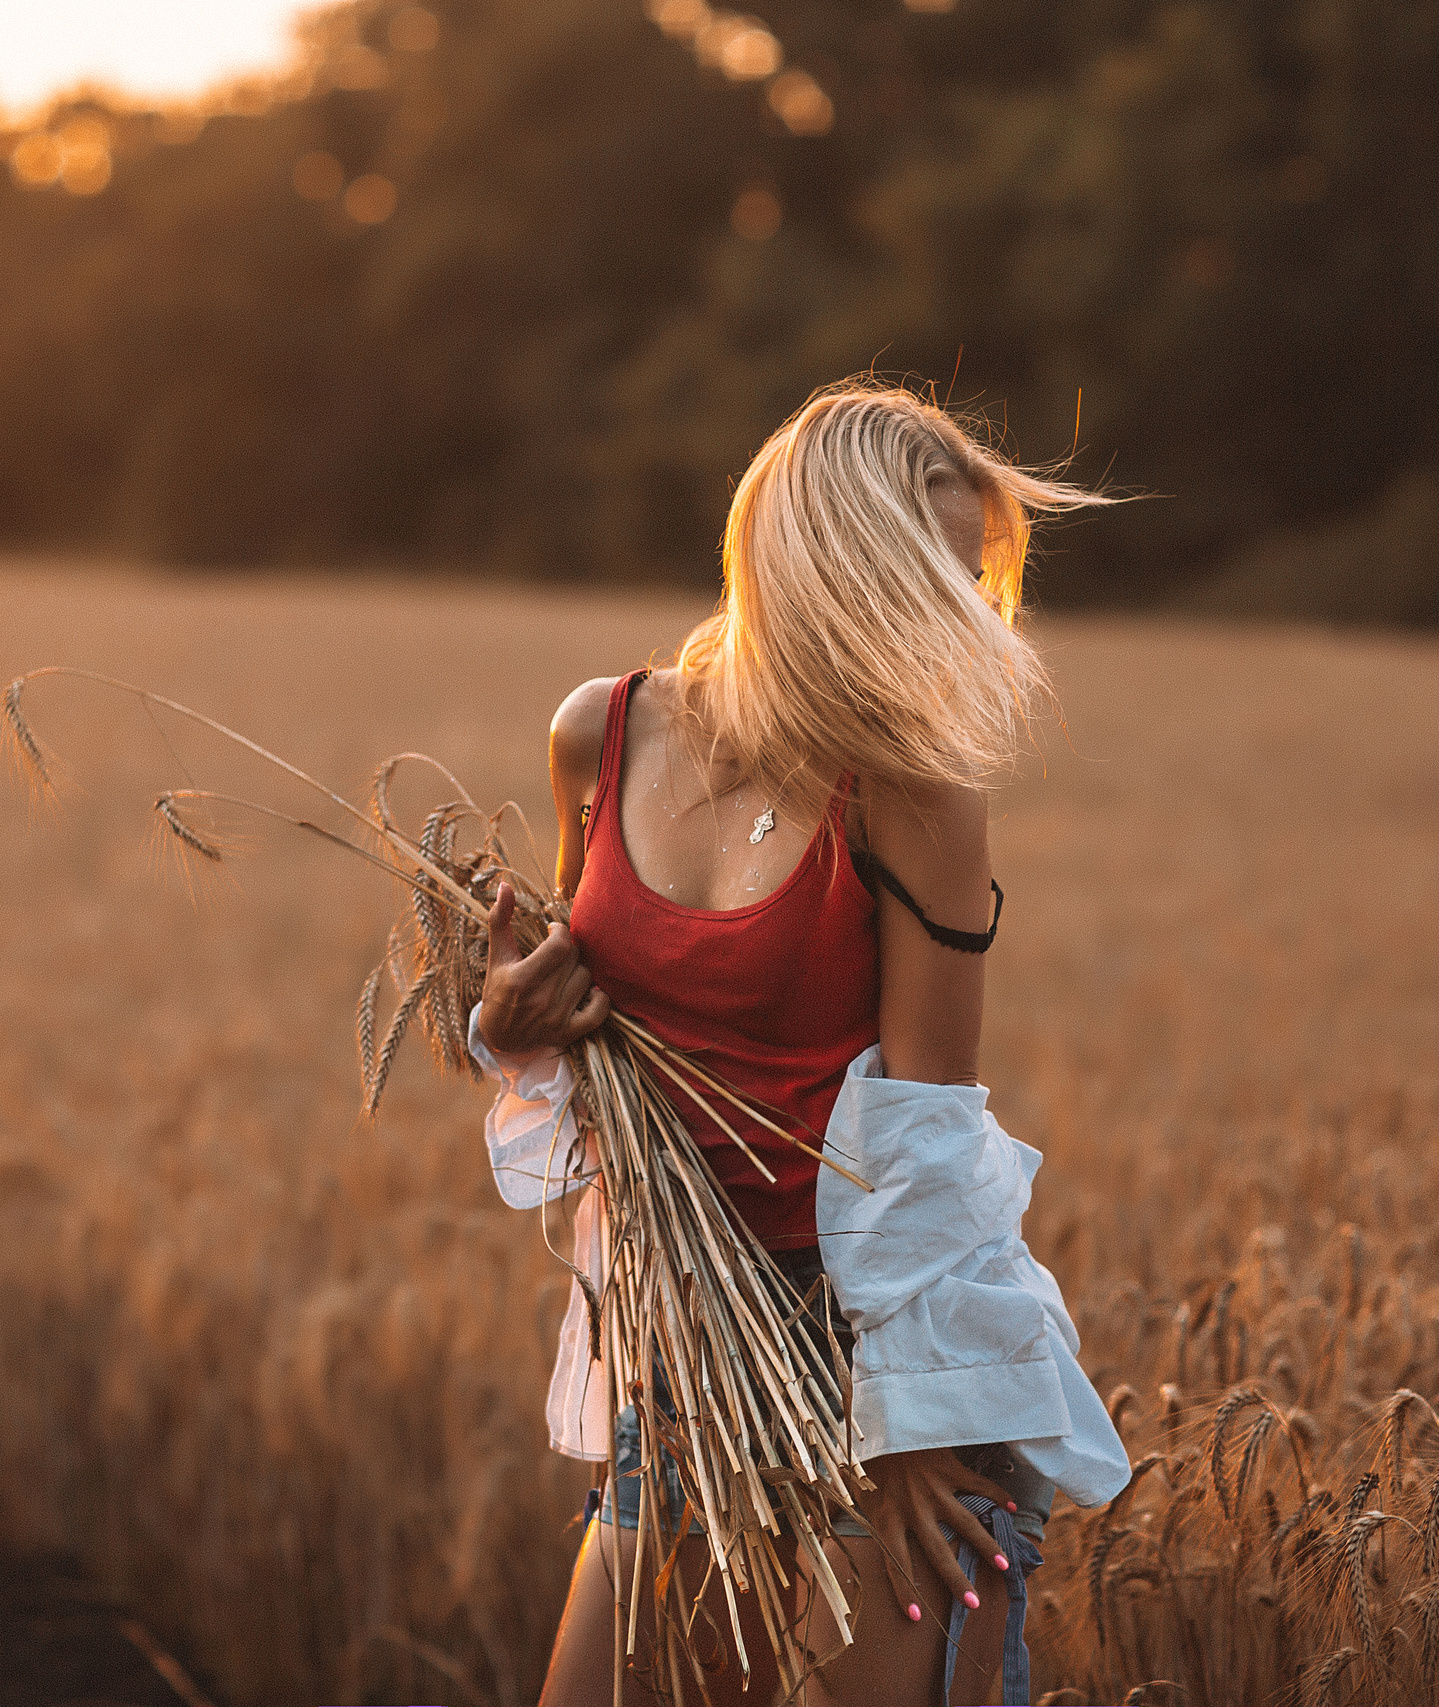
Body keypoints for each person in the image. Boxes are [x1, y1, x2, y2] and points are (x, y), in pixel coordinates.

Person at [467, 382, 1129, 1706]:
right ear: (823, 570)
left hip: (874, 1356)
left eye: (971, 583)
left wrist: (911, 1428)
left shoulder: (916, 786)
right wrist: (502, 1024)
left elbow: (927, 1128)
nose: (962, 622)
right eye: (925, 580)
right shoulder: (599, 731)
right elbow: (579, 1031)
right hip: (687, 1337)